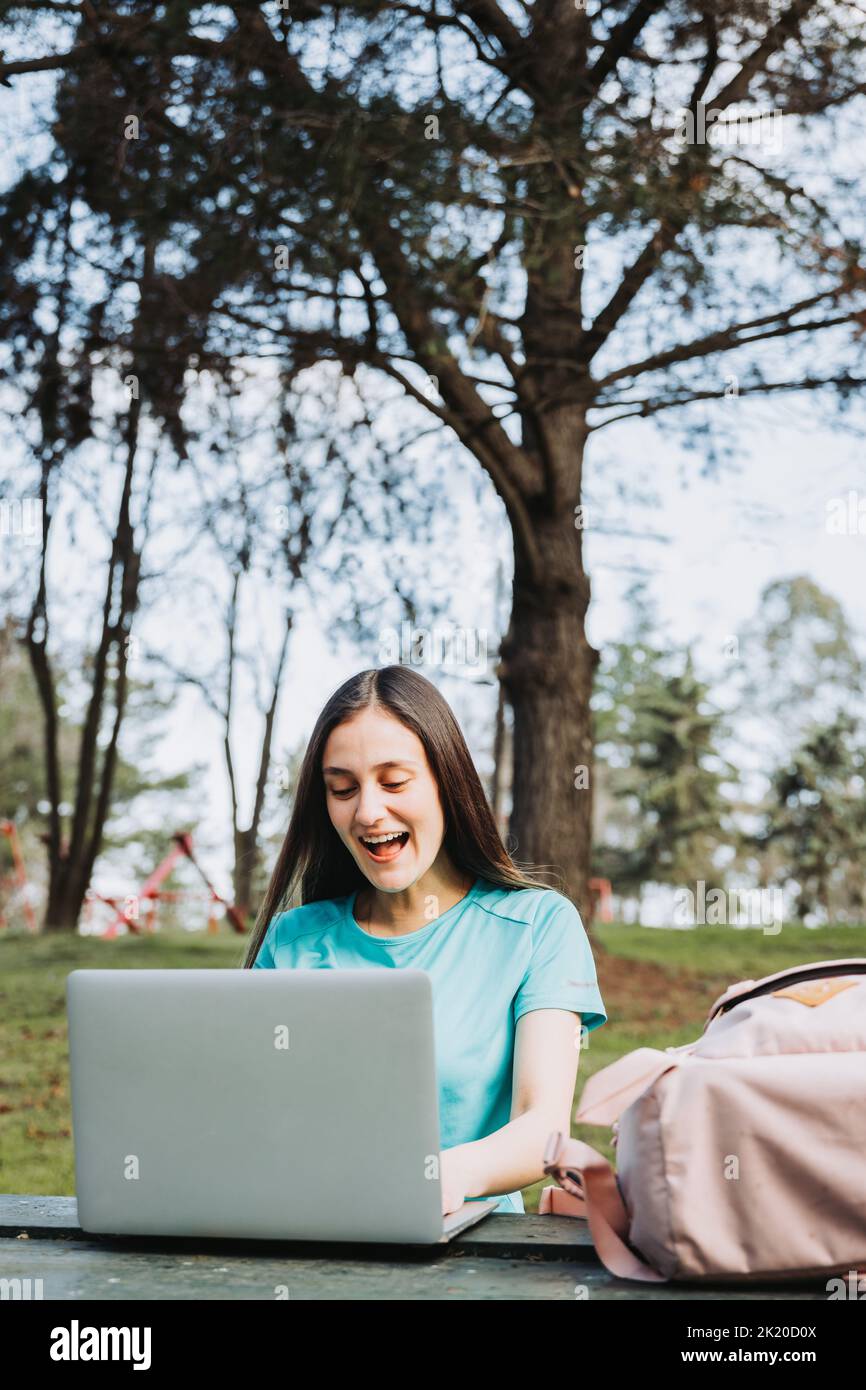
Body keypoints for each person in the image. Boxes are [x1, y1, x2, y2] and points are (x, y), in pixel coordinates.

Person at [243, 665, 607, 1214]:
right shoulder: (291, 939)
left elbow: (542, 1128)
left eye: (394, 783)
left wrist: (440, 1177)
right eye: (343, 788)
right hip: (309, 1236)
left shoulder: (538, 926)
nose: (367, 812)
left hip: (465, 1261)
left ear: (446, 781)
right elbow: (252, 1112)